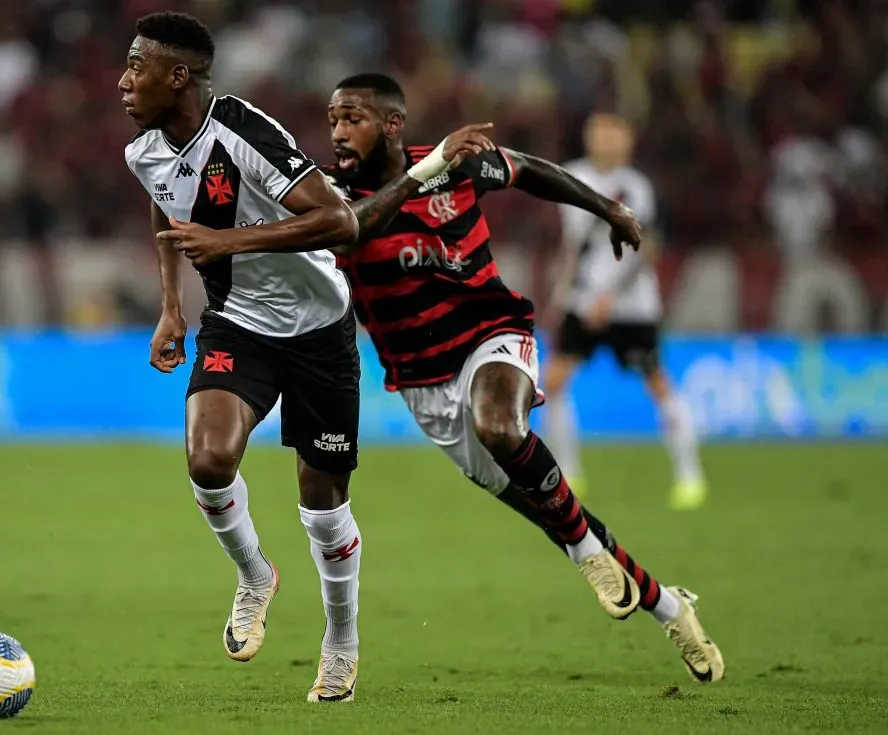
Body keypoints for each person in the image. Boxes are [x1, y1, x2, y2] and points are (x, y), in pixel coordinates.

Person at [175, 73, 724, 683]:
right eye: (331, 119)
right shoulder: (328, 198)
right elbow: (358, 225)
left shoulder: (456, 168)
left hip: (490, 333)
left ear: (391, 124)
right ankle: (668, 605)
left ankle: (591, 555)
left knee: (502, 427)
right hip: (422, 381)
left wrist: (608, 208)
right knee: (544, 504)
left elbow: (528, 169)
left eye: (351, 117)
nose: (337, 131)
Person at [120, 14, 500, 703]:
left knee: (322, 505)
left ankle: (341, 641)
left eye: (136, 68)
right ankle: (255, 575)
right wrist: (172, 305)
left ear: (177, 76)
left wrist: (229, 243)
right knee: (208, 461)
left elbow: (339, 220)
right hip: (236, 324)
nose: (123, 82)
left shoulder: (246, 133)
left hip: (321, 328)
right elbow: (164, 205)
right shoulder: (143, 149)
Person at [546, 113, 708, 511]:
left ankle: (690, 476)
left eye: (612, 134)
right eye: (597, 133)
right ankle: (569, 475)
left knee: (656, 381)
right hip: (582, 301)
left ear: (628, 141)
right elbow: (571, 247)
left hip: (632, 306)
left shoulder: (636, 186)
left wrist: (610, 298)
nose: (604, 141)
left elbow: (645, 248)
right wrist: (560, 296)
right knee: (553, 382)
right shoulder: (570, 175)